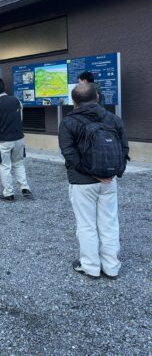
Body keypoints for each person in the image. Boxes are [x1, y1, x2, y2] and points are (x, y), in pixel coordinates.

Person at [59, 83, 129, 280]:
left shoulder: (68, 122)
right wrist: (116, 171)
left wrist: (88, 172)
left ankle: (90, 266)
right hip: (109, 180)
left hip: (82, 182)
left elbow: (69, 153)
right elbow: (124, 148)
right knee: (109, 223)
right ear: (97, 97)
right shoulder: (113, 119)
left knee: (86, 225)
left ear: (74, 101)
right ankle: (112, 266)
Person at [0, 78, 33, 202]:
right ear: (5, 87)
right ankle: (25, 188)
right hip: (18, 138)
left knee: (5, 166)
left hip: (3, 140)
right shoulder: (17, 101)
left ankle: (9, 193)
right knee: (19, 163)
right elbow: (20, 118)